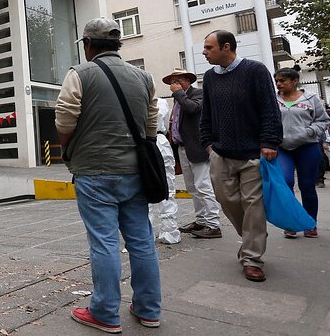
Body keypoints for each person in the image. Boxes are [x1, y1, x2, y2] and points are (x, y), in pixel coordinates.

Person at [56, 17, 161, 332]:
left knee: (104, 242)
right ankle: (148, 309)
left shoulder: (80, 74)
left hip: (94, 171)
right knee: (142, 240)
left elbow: (64, 117)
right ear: (118, 45)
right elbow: (152, 122)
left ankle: (103, 312)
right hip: (135, 172)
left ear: (88, 44)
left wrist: (68, 148)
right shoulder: (145, 78)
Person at [200, 30, 282, 283]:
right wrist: (208, 145)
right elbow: (207, 114)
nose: (204, 52)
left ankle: (252, 258)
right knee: (228, 201)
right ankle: (250, 240)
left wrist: (269, 141)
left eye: (208, 47)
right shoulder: (210, 78)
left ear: (226, 47)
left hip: (252, 155)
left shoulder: (255, 71)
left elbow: (270, 108)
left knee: (253, 207)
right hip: (220, 154)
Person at [163, 67, 222, 239]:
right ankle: (201, 220)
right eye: (173, 81)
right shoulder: (178, 98)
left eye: (178, 80)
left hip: (197, 147)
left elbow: (192, 109)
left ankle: (213, 224)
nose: (175, 84)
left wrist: (179, 94)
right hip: (183, 148)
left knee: (203, 186)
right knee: (192, 187)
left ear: (188, 80)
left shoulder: (197, 94)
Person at [274, 66, 330, 238]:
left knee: (307, 186)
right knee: (286, 182)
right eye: (276, 81)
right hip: (283, 149)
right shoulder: (273, 100)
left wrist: (309, 132)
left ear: (295, 81)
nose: (278, 84)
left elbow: (323, 121)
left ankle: (309, 223)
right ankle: (291, 222)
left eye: (282, 81)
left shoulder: (311, 98)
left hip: (308, 147)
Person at [151, 97, 180, 244]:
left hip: (147, 142)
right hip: (161, 141)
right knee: (168, 187)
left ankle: (146, 233)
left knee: (145, 189)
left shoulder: (135, 99)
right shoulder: (162, 102)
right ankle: (170, 231)